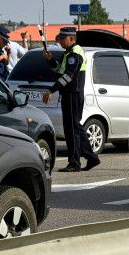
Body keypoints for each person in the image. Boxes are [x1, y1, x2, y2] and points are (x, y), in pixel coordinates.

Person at [42, 27, 99, 172]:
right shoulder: (68, 54)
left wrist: (51, 90)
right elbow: (58, 70)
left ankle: (75, 162)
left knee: (73, 129)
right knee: (73, 127)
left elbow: (68, 76)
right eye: (59, 38)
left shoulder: (75, 54)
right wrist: (50, 60)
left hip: (73, 94)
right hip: (69, 94)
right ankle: (90, 157)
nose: (60, 41)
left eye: (62, 38)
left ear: (71, 39)